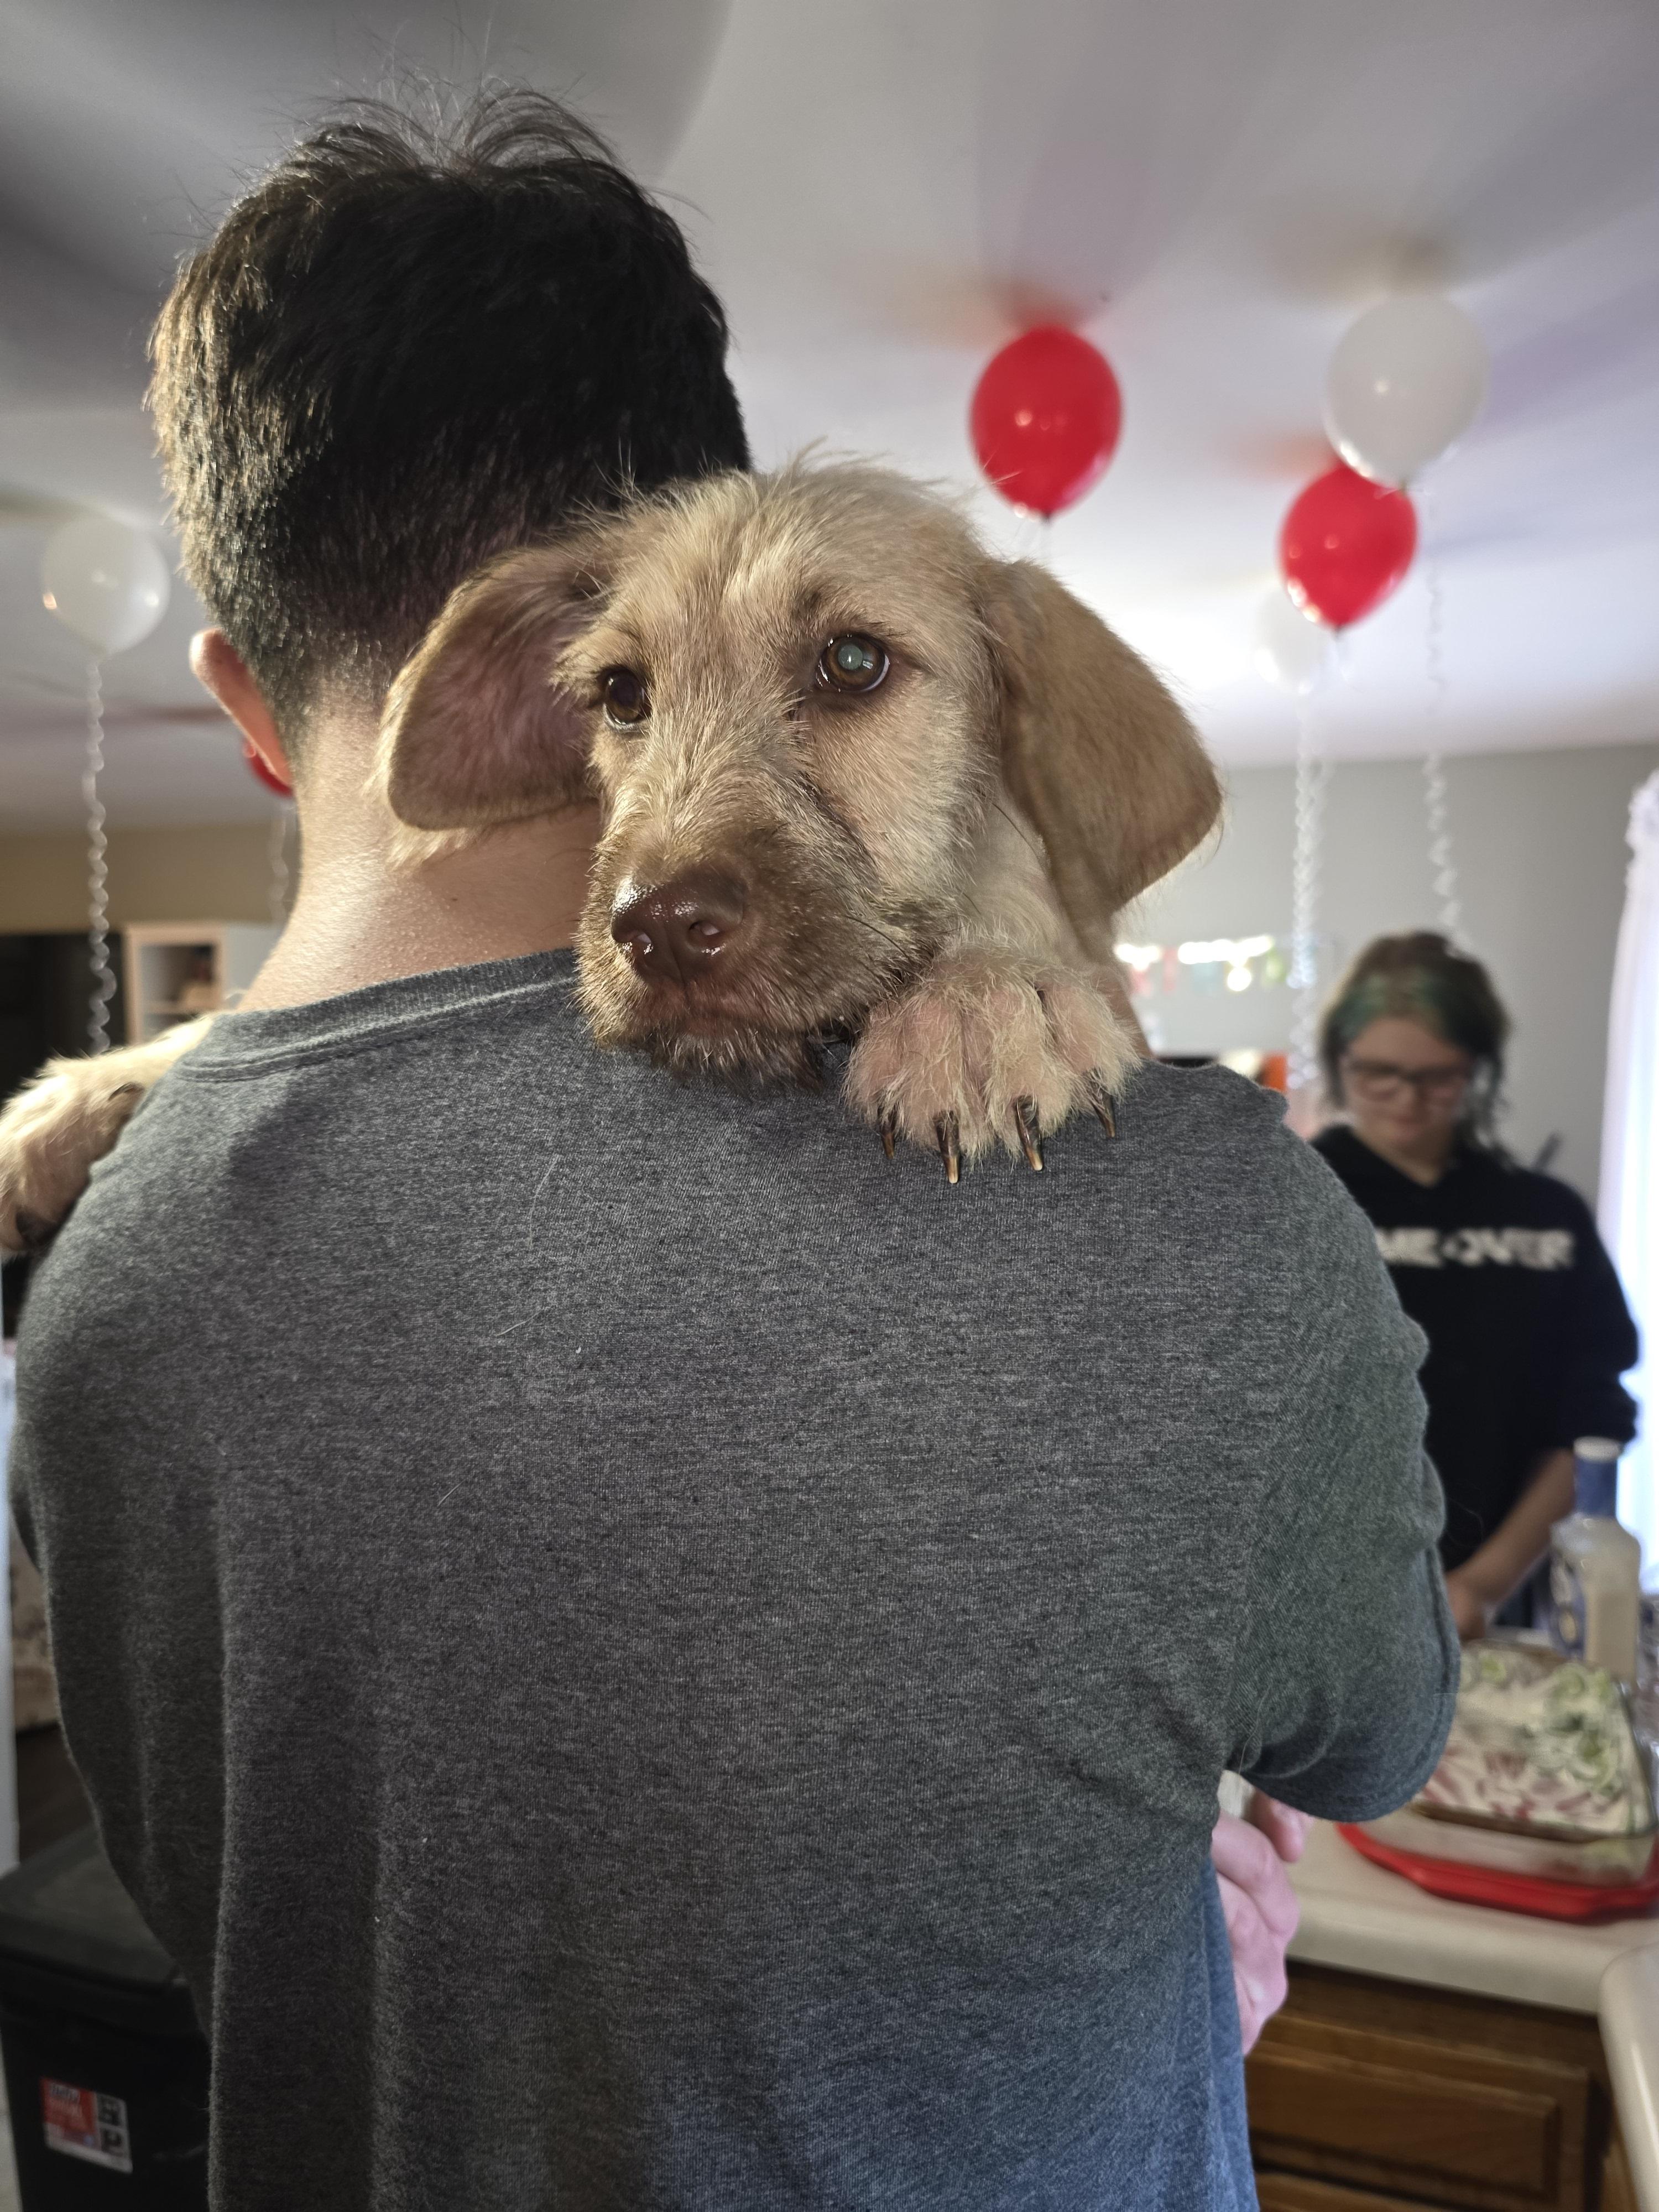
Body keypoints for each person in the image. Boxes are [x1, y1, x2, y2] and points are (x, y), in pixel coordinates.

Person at [8, 96, 1455, 2210]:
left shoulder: (108, 1293)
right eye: (623, 692)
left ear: (240, 705)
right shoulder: (1196, 1213)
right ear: (533, 691)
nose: (673, 852)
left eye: (846, 668)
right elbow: (1371, 1735)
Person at [1313, 932, 1639, 1639]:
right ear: (1341, 1061)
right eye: (1378, 1073)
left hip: (1498, 1595)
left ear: (1478, 1069)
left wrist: (1484, 1585)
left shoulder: (1546, 1217)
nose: (1406, 1099)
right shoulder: (1290, 1201)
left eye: (1438, 1077)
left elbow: (1590, 1419)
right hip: (1318, 1604)